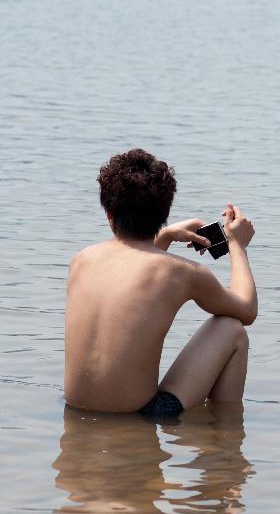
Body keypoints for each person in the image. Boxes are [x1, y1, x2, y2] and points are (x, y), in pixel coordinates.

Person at [64, 148, 257, 417]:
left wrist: (164, 237)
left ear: (109, 213)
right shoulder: (181, 272)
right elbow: (247, 310)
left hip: (74, 408)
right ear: (164, 211)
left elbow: (132, 276)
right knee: (231, 328)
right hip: (142, 414)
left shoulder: (82, 260)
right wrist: (237, 245)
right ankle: (225, 435)